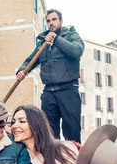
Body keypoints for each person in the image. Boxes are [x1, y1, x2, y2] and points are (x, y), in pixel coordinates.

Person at [16, 9, 84, 143]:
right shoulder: (42, 43)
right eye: (48, 21)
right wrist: (22, 70)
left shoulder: (71, 35)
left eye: (54, 20)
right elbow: (31, 60)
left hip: (68, 90)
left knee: (72, 131)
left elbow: (77, 51)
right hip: (49, 93)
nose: (51, 23)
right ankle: (52, 162)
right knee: (48, 133)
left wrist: (56, 39)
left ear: (61, 21)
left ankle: (74, 161)